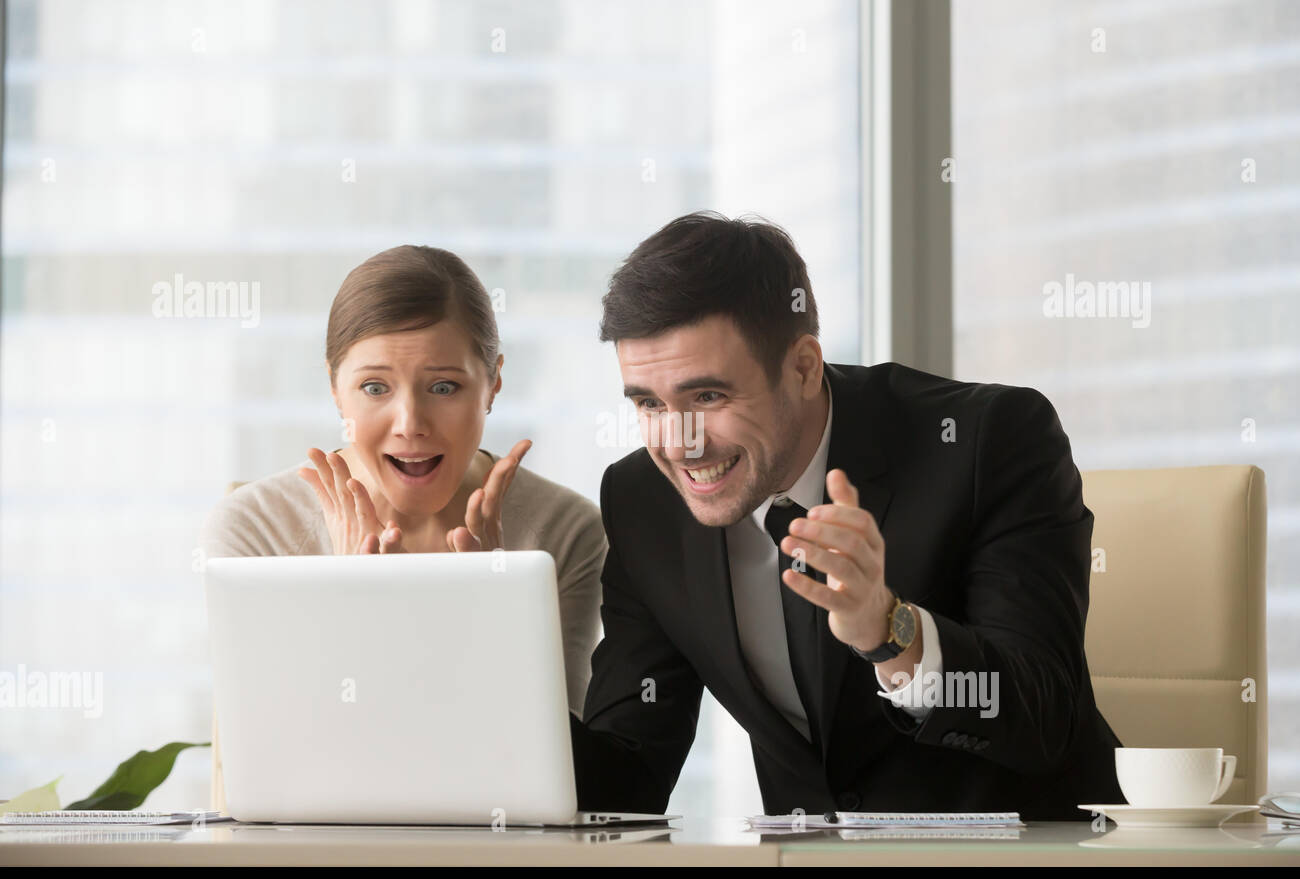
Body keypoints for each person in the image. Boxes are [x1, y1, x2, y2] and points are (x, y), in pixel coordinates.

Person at [569, 211, 1125, 819]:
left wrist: (891, 631)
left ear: (804, 366)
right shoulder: (642, 500)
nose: (679, 445)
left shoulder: (987, 441)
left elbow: (1044, 716)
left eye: (708, 397)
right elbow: (624, 781)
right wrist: (491, 661)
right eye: (649, 404)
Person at [198, 245, 607, 717]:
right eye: (375, 388)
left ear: (493, 384)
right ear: (335, 389)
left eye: (444, 387)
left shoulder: (567, 533)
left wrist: (496, 616)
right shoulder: (254, 531)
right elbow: (277, 763)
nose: (410, 423)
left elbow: (560, 773)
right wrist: (350, 613)